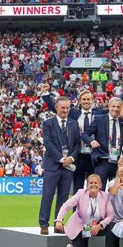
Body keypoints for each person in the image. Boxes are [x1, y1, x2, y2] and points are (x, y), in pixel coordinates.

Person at [38, 96, 81, 235]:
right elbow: (48, 143)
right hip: (53, 165)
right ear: (56, 108)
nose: (65, 110)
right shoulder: (48, 123)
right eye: (62, 107)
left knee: (63, 197)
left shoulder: (73, 123)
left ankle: (59, 222)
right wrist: (61, 159)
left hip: (68, 166)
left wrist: (71, 158)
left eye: (67, 108)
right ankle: (44, 224)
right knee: (48, 196)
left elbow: (77, 144)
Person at [54, 174, 116, 247]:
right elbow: (66, 206)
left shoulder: (105, 196)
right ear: (87, 185)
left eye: (96, 183)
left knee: (112, 225)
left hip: (96, 227)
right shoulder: (80, 194)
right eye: (91, 183)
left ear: (100, 185)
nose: (93, 185)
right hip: (83, 228)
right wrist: (59, 220)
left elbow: (110, 215)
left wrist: (100, 225)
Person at [83, 97, 123, 187]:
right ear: (109, 106)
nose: (115, 109)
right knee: (98, 191)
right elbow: (85, 135)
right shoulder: (99, 119)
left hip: (118, 162)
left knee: (116, 192)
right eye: (113, 106)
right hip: (102, 161)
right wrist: (91, 141)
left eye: (118, 107)